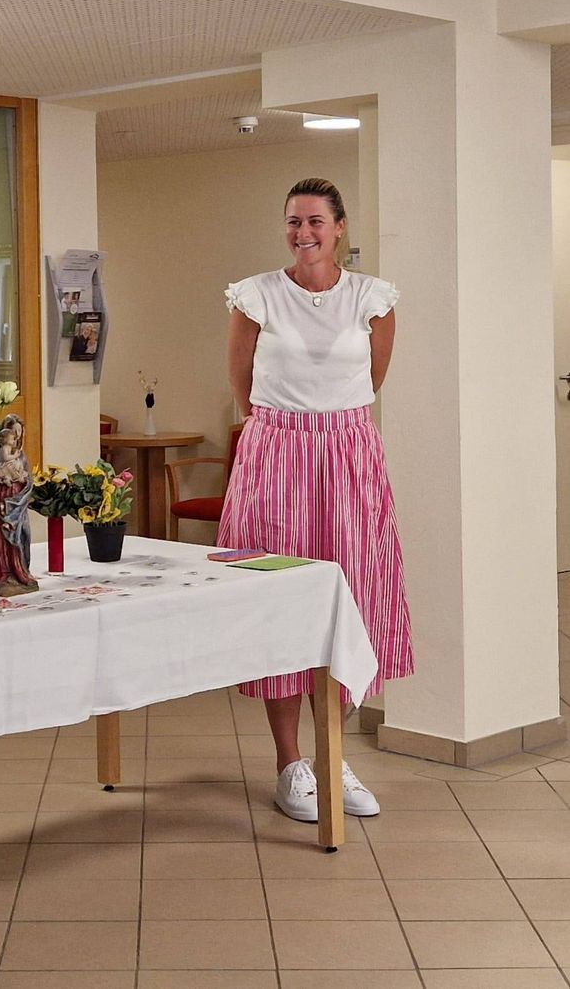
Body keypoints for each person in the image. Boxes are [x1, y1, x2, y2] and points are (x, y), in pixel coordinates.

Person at [220, 177, 412, 824]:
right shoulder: (256, 296)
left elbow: (371, 379)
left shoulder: (373, 299)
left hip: (349, 459)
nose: (304, 234)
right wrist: (287, 433)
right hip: (278, 458)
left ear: (339, 228)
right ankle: (289, 764)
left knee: (348, 606)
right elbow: (241, 379)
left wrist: (332, 431)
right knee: (284, 606)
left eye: (315, 222)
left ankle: (333, 755)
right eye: (294, 222)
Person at [0, 414, 39, 597]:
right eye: (13, 432)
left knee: (20, 535)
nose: (16, 436)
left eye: (19, 432)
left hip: (18, 501)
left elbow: (29, 476)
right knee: (1, 535)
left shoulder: (21, 455)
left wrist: (24, 480)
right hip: (2, 498)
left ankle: (18, 571)